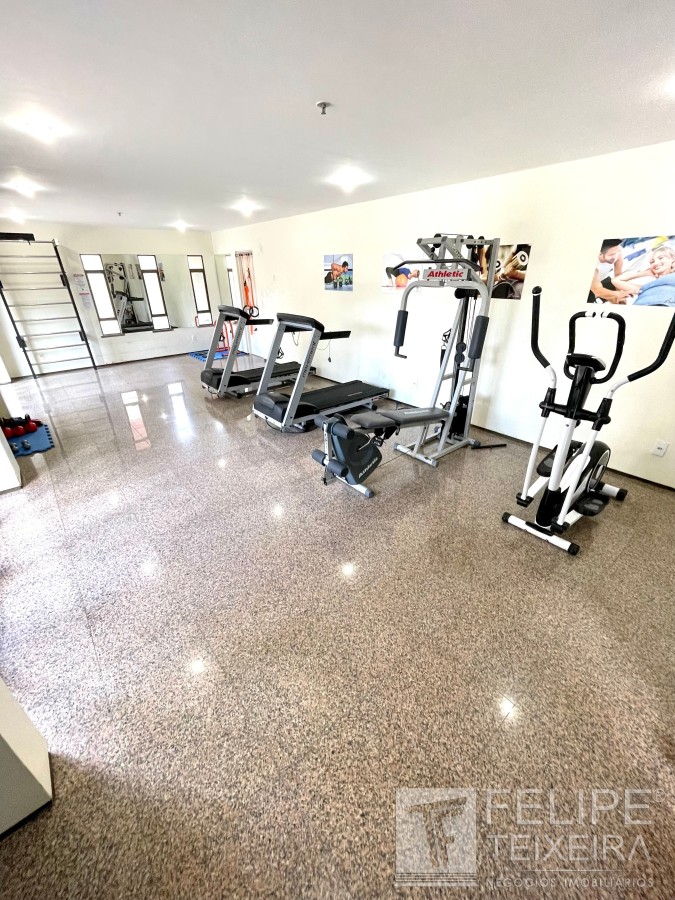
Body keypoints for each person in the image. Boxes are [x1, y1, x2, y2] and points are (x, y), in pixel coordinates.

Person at [587, 239, 631, 304]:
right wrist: (618, 294)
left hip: (603, 278)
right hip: (590, 286)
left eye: (618, 252)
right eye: (612, 254)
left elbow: (618, 273)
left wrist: (620, 293)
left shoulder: (617, 251)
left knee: (621, 301)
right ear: (600, 254)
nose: (616, 256)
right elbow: (597, 290)